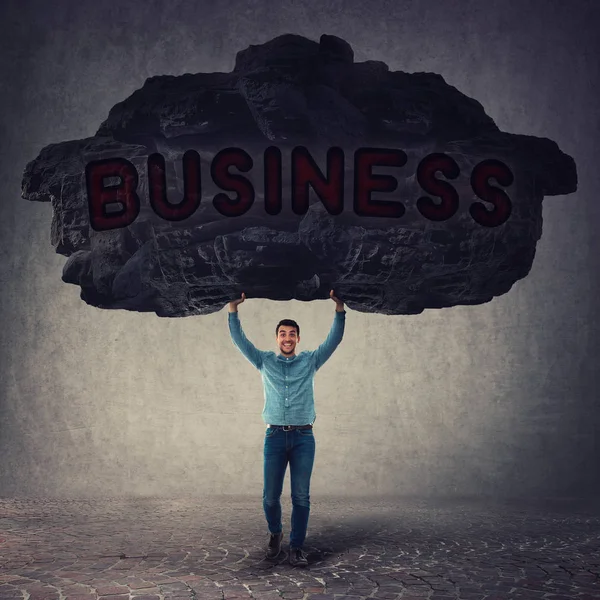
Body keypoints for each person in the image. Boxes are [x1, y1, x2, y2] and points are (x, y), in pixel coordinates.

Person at [228, 290, 346, 567]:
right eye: (283, 333)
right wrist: (233, 310)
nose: (287, 338)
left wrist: (339, 310)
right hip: (275, 437)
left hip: (304, 437)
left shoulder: (310, 360)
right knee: (270, 497)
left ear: (298, 338)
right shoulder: (264, 361)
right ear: (277, 337)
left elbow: (334, 340)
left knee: (301, 496)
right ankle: (275, 533)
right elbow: (239, 341)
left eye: (292, 333)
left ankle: (296, 547)